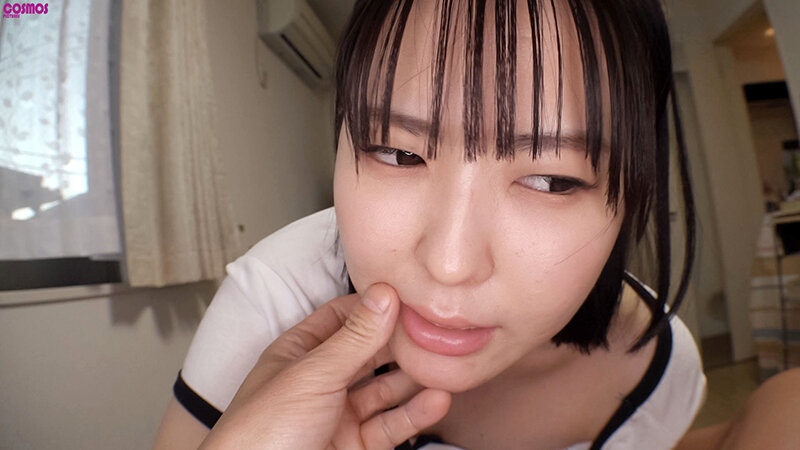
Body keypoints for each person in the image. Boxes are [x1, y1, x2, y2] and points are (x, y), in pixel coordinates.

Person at [154, 0, 706, 448]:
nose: (449, 264)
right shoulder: (277, 303)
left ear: (632, 194)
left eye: (551, 180)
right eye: (398, 154)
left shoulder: (656, 369)